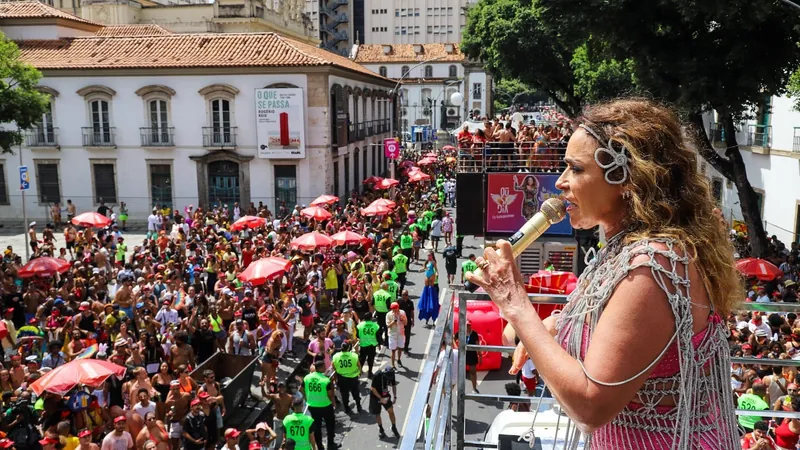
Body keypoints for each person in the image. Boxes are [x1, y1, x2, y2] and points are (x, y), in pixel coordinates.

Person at [465, 99, 741, 448]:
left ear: (626, 179)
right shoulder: (628, 248)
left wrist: (515, 303)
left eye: (576, 169)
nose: (561, 182)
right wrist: (552, 328)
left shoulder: (652, 267)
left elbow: (590, 404)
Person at [302, 361, 338, 450]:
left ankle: (320, 446)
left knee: (317, 428)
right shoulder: (325, 380)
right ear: (321, 368)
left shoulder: (307, 378)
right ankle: (330, 444)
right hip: (325, 406)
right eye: (324, 366)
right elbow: (330, 394)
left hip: (312, 407)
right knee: (330, 425)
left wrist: (307, 399)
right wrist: (333, 403)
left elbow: (301, 389)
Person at [331, 341, 362, 415]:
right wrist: (360, 372)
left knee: (344, 394)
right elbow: (359, 365)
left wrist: (335, 378)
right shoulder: (354, 355)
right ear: (348, 348)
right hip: (353, 378)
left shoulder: (336, 356)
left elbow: (333, 367)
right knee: (355, 392)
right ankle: (358, 406)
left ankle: (346, 408)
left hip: (342, 378)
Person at [369, 366, 400, 439]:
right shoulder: (377, 375)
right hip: (375, 396)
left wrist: (395, 397)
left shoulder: (392, 375)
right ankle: (381, 429)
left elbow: (393, 385)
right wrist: (380, 398)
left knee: (391, 411)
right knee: (377, 414)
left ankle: (394, 427)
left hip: (384, 394)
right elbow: (372, 388)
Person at [356, 313, 379, 378]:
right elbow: (378, 336)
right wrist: (379, 344)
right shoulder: (375, 325)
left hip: (363, 345)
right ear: (371, 318)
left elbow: (357, 335)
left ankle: (359, 372)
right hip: (372, 345)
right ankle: (370, 373)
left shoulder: (359, 325)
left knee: (362, 359)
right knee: (370, 359)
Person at [386, 302, 407, 368]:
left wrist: (403, 320)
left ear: (398, 308)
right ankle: (393, 365)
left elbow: (406, 323)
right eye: (393, 309)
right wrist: (393, 322)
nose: (394, 310)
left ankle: (398, 359)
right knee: (393, 350)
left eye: (396, 309)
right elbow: (388, 326)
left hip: (401, 334)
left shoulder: (402, 312)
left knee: (400, 348)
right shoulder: (388, 315)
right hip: (392, 334)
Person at [464, 320, 481, 394]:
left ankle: (474, 388)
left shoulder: (474, 334)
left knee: (473, 372)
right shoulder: (461, 332)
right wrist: (455, 347)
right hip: (463, 355)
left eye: (469, 325)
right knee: (460, 373)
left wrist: (480, 356)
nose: (468, 326)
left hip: (472, 355)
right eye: (467, 325)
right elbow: (454, 338)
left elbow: (477, 346)